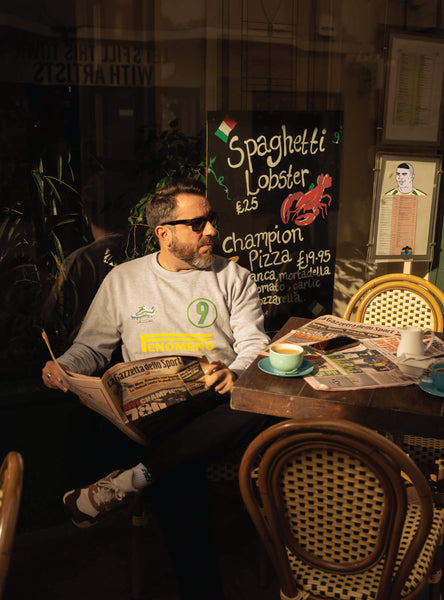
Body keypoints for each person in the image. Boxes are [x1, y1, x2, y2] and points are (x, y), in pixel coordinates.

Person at [41, 177, 274, 600]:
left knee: (261, 404)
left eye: (211, 220)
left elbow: (256, 346)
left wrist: (235, 372)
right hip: (146, 410)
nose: (211, 231)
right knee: (178, 465)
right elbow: (91, 347)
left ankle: (131, 480)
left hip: (215, 405)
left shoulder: (233, 277)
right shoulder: (124, 280)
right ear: (163, 234)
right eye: (198, 223)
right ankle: (145, 480)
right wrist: (62, 367)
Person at [41, 175, 131, 352]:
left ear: (85, 214)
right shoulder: (145, 253)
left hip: (88, 358)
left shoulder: (79, 261)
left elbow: (52, 318)